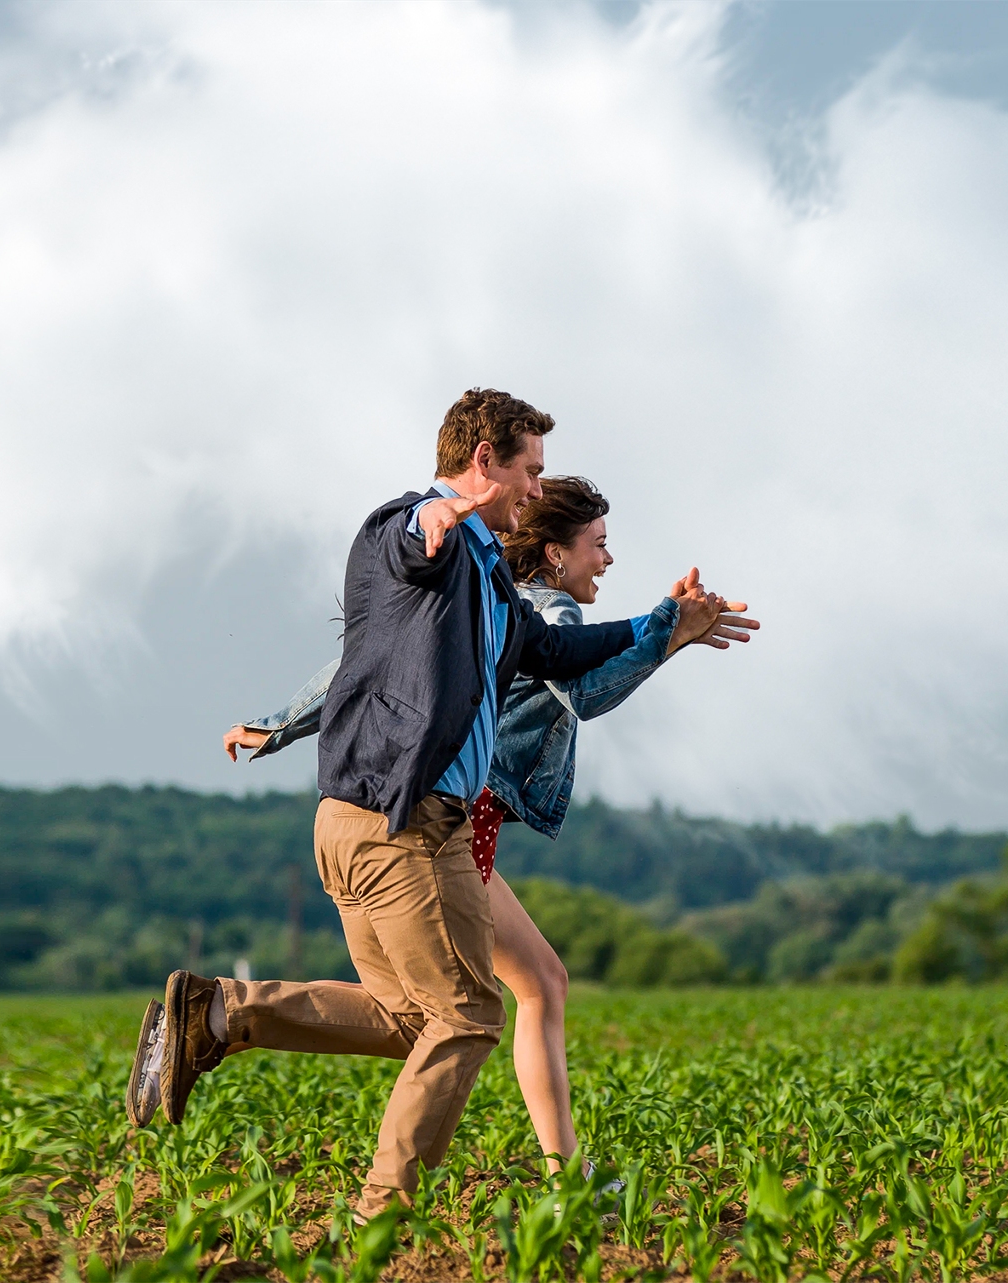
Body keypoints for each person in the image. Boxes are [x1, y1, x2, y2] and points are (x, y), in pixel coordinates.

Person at [124, 389, 739, 1222]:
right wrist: (432, 526)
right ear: (485, 459)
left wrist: (668, 624)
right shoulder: (408, 528)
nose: (534, 487)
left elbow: (557, 650)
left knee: (411, 1016)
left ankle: (221, 1011)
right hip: (401, 825)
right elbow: (406, 550)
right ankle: (384, 1217)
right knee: (472, 1010)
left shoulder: (490, 574)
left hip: (377, 824)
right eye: (529, 469)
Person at [215, 475, 755, 1174]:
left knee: (488, 995)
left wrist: (276, 723)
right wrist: (667, 637)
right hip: (449, 825)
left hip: (432, 819)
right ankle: (537, 1174)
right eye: (600, 545)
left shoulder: (483, 597)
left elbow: (358, 664)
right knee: (471, 1008)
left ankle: (228, 1013)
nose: (609, 560)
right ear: (557, 553)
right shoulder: (550, 611)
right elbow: (585, 693)